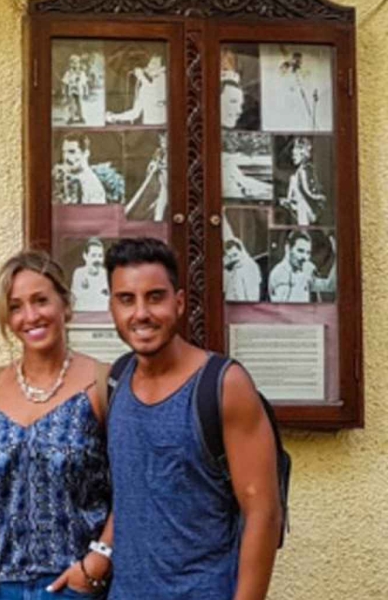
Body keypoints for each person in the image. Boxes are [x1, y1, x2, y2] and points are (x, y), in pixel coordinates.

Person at [104, 237, 281, 600]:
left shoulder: (223, 385)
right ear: (112, 308)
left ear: (180, 302)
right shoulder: (116, 380)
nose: (141, 313)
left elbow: (263, 512)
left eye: (155, 297)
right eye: (127, 299)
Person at [0, 251, 112, 600]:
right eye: (16, 307)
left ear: (65, 304)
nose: (30, 316)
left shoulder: (102, 383)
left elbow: (128, 486)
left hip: (73, 584)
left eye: (41, 300)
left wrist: (98, 560)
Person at [53, 136, 118, 206]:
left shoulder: (93, 188)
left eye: (72, 152)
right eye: (64, 152)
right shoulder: (62, 176)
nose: (66, 157)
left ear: (86, 153)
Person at [278, 136, 326, 226]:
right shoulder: (298, 173)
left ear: (303, 153)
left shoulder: (305, 170)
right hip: (302, 211)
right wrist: (289, 201)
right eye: (293, 155)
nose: (292, 157)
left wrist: (320, 198)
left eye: (295, 155)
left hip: (306, 210)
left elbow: (309, 192)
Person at [107, 55, 166, 125]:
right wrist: (114, 116)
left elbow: (155, 96)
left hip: (164, 126)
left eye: (154, 64)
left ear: (162, 68)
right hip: (149, 126)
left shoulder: (164, 80)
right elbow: (135, 113)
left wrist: (142, 77)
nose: (149, 66)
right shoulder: (145, 85)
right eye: (149, 63)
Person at [268, 231, 314, 304]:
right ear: (288, 248)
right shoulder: (279, 274)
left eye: (308, 253)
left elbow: (327, 286)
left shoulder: (303, 272)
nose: (305, 257)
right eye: (300, 251)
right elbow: (286, 306)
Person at [70, 238, 109, 312]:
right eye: (93, 256)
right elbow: (74, 300)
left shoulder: (107, 275)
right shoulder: (79, 273)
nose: (97, 260)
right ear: (85, 256)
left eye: (100, 256)